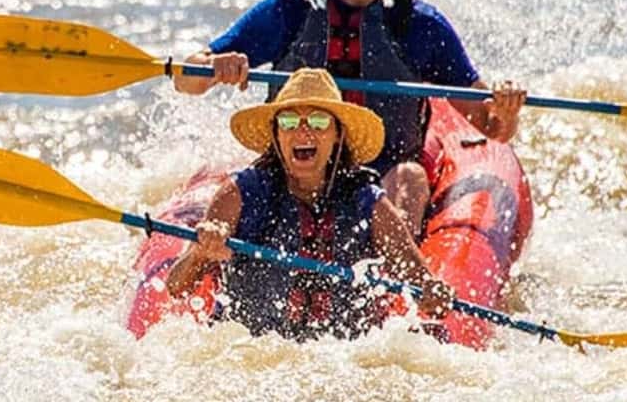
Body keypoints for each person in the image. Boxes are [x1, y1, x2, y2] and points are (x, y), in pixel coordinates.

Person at [174, 0, 527, 234]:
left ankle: (394, 280)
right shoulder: (291, 8)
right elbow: (186, 81)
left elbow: (492, 127)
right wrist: (212, 65)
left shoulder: (421, 26)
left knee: (410, 176)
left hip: (383, 174)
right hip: (295, 170)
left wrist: (507, 110)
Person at [166, 68, 454, 341]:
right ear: (277, 135)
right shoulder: (240, 193)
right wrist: (202, 252)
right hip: (250, 347)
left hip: (344, 354)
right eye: (289, 122)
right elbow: (176, 286)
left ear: (337, 134)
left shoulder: (368, 202)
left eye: (318, 122)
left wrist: (434, 292)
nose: (303, 132)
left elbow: (424, 287)